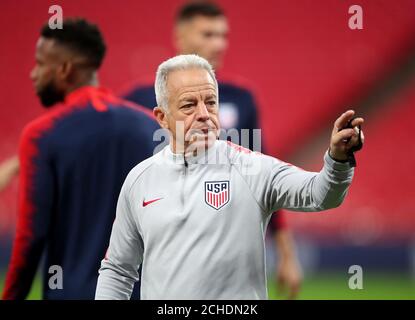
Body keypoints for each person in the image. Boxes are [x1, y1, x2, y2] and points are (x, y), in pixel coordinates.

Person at [95, 54, 364, 300]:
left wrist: (338, 159)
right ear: (162, 117)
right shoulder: (139, 180)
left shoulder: (252, 169)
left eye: (210, 102)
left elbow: (320, 194)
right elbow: (118, 269)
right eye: (189, 105)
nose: (203, 114)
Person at [123, 1, 302, 298]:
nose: (219, 44)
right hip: (157, 239)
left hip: (220, 244)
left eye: (223, 35)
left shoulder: (241, 99)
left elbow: (263, 175)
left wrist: (286, 254)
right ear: (180, 38)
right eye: (207, 34)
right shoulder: (136, 100)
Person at [2, 18, 159, 300]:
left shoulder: (42, 135)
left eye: (40, 63)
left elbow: (30, 238)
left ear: (64, 69)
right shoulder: (151, 128)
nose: (33, 74)